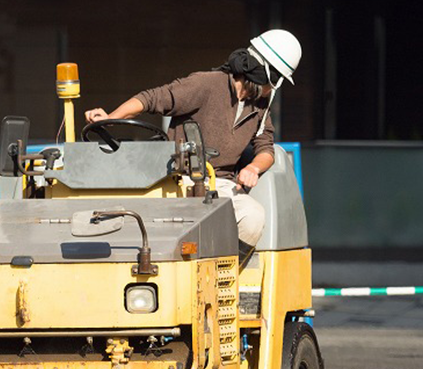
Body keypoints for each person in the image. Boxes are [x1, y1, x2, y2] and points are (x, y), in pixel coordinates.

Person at [84, 29, 302, 263]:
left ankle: (224, 279)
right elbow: (151, 98)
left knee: (254, 216)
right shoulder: (206, 84)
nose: (276, 88)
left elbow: (265, 148)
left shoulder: (261, 106)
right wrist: (110, 118)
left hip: (221, 186)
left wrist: (253, 169)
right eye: (277, 80)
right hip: (176, 180)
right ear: (266, 73)